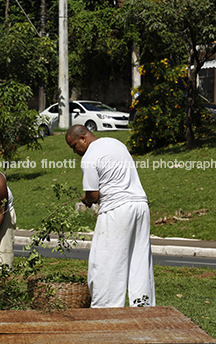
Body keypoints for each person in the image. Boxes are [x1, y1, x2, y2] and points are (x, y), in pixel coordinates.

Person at [65, 124, 155, 308]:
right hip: (140, 205)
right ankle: (144, 307)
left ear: (83, 138)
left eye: (74, 146)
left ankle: (105, 310)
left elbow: (93, 195)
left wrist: (87, 200)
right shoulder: (116, 143)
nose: (75, 151)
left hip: (117, 209)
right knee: (139, 260)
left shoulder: (89, 158)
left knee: (105, 261)